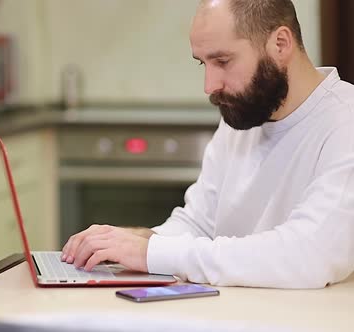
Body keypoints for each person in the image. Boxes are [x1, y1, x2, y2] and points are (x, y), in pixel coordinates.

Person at [61, 0, 354, 289]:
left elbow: (309, 255)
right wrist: (130, 242)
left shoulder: (345, 121)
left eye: (223, 61)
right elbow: (199, 224)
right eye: (203, 63)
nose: (209, 86)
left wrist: (151, 253)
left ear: (280, 44)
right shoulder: (243, 114)